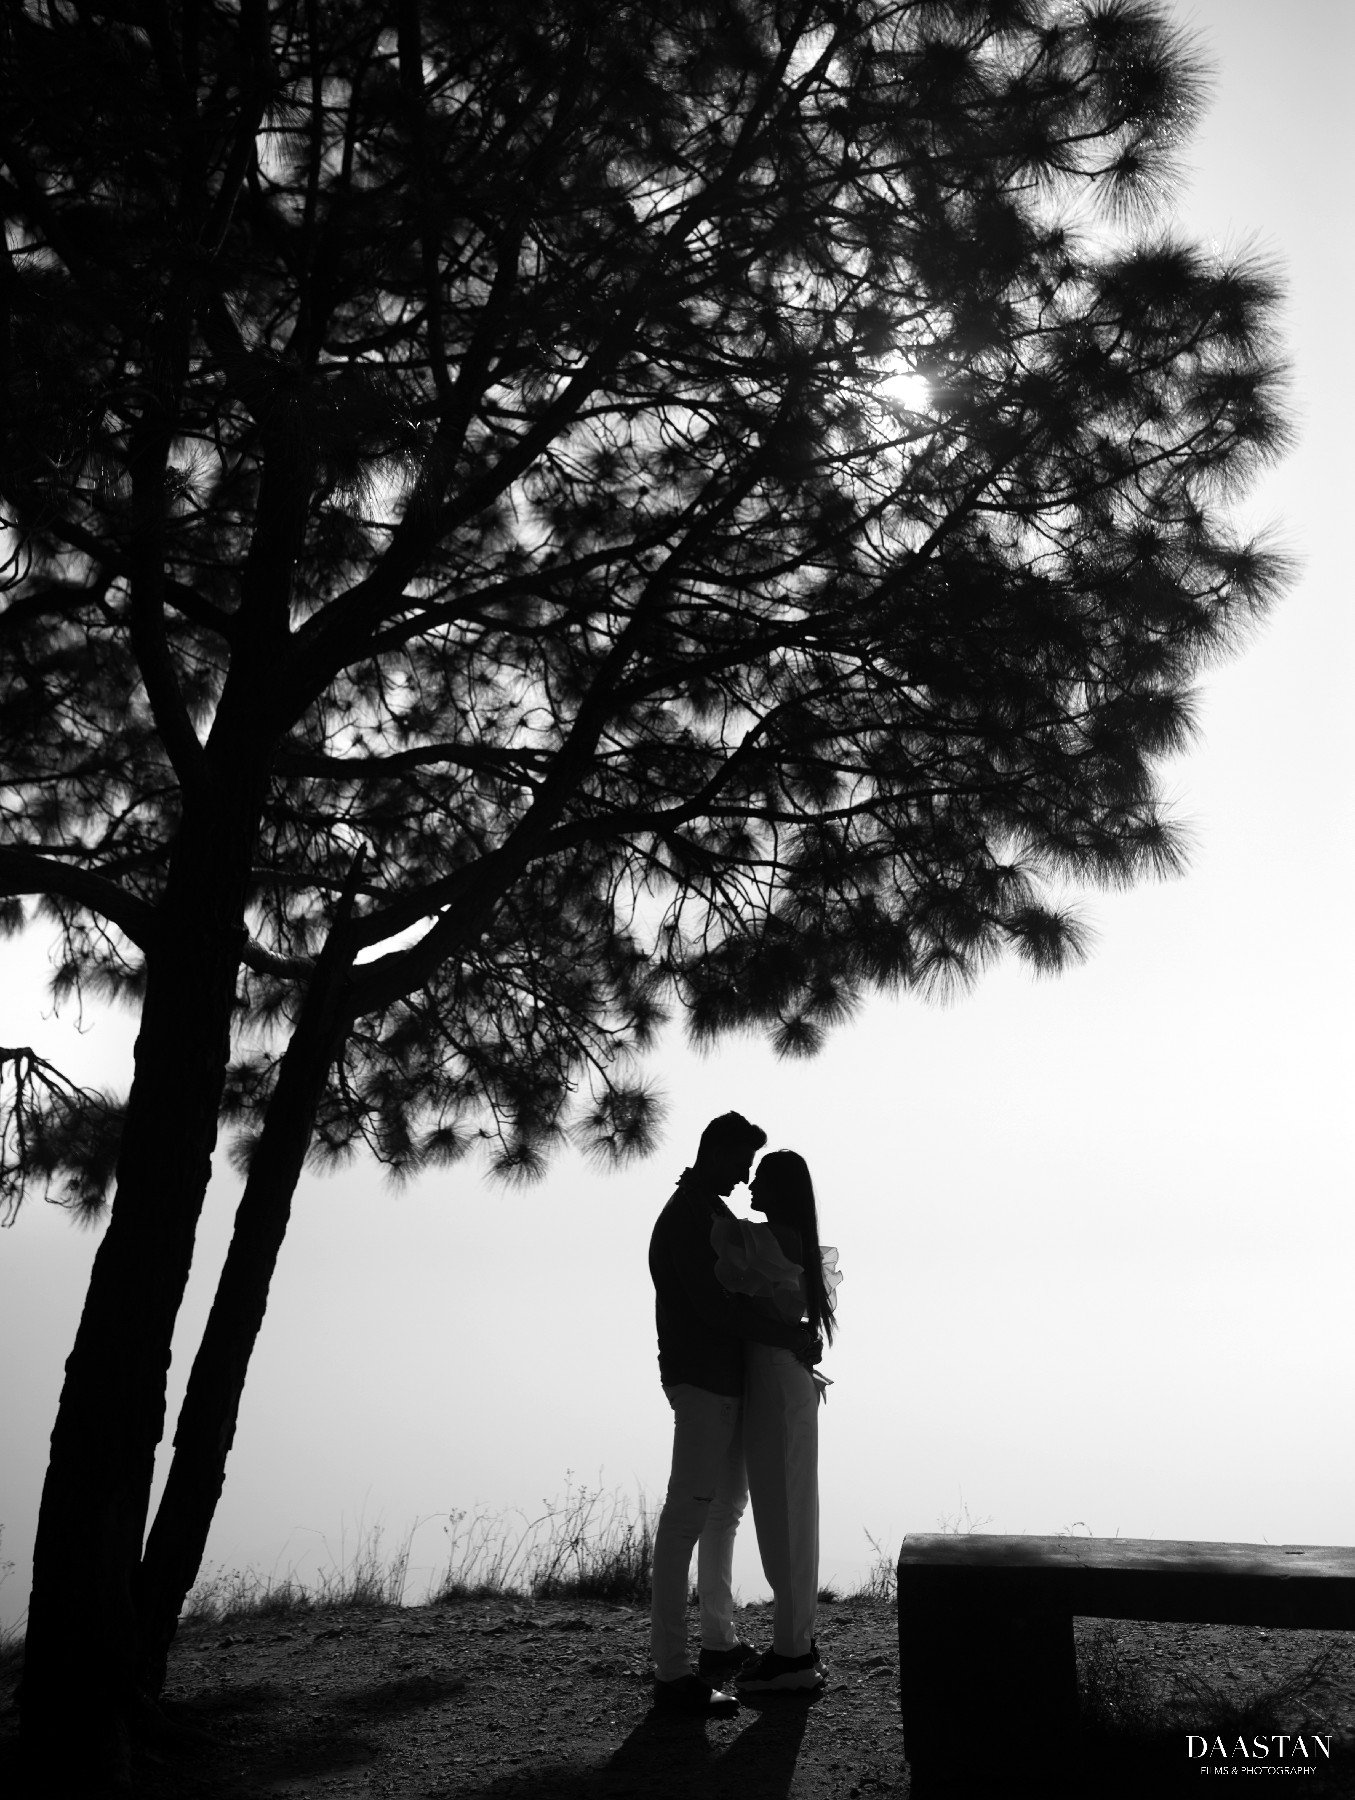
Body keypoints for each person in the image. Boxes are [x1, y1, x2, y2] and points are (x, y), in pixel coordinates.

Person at [648, 1113, 822, 1715]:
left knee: (722, 1513)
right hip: (703, 1384)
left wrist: (789, 1332)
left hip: (729, 1385)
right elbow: (715, 1310)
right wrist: (789, 1333)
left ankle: (717, 1642)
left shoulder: (712, 1214)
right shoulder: (687, 1217)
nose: (747, 1177)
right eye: (742, 1162)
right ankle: (672, 1672)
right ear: (716, 1151)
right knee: (687, 1519)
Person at [710, 1148, 840, 1693]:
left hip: (778, 1382)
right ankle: (795, 1644)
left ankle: (793, 1656)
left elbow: (721, 1252)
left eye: (762, 1177)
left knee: (783, 1513)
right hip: (778, 1381)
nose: (751, 1184)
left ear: (781, 1189)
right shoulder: (793, 1242)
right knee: (787, 1511)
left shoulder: (767, 1241)